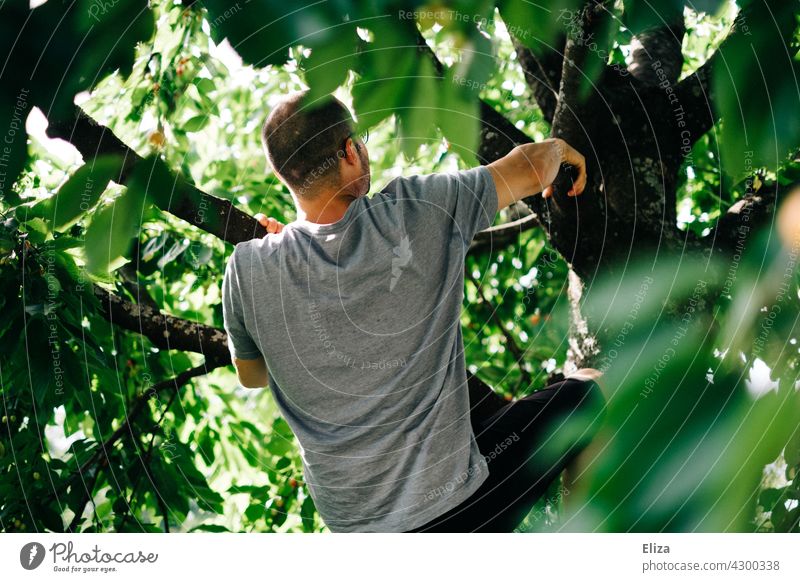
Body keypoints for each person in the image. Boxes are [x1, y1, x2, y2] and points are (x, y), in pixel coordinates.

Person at [222, 91, 605, 532]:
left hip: (361, 538)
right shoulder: (417, 210)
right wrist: (559, 148)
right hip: (461, 508)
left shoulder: (247, 268)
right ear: (350, 150)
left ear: (283, 174)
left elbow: (252, 375)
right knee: (594, 390)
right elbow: (526, 168)